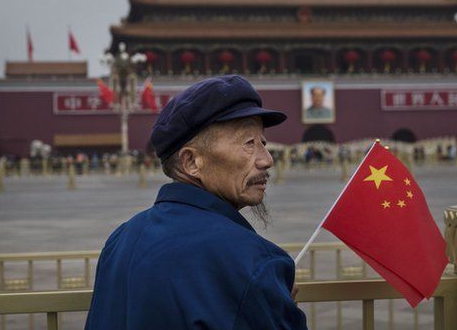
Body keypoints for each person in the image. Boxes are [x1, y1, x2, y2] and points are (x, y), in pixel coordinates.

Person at [85, 75, 308, 329]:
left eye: (263, 142)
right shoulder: (253, 262)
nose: (266, 159)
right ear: (191, 162)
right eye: (249, 143)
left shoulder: (120, 241)